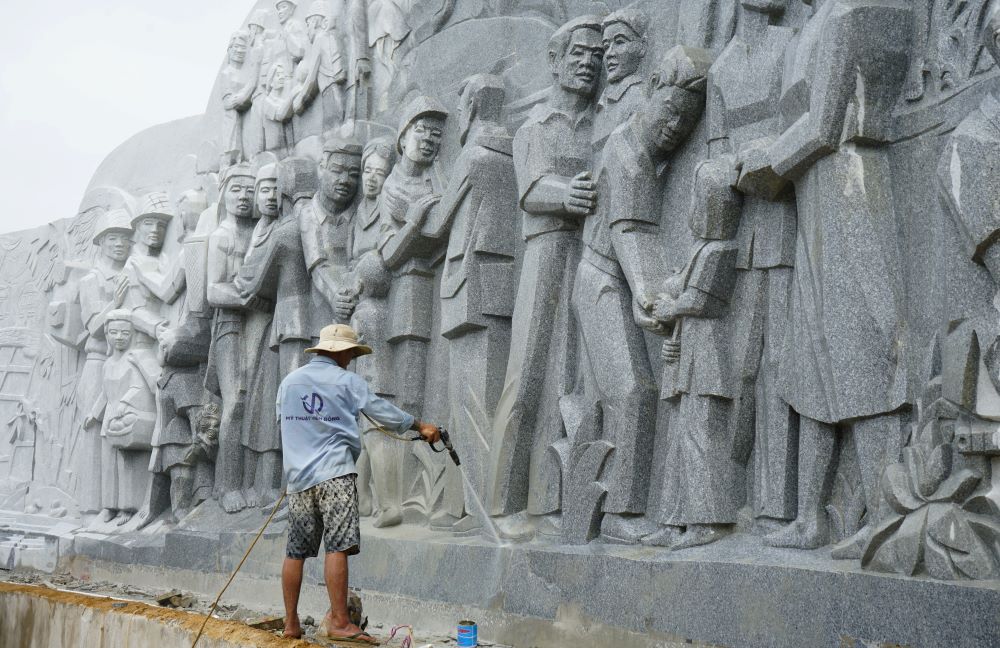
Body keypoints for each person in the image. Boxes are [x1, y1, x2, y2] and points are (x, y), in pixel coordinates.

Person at [277, 323, 440, 642]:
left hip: (298, 480)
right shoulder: (347, 381)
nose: (351, 359)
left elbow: (283, 424)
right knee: (338, 547)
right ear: (340, 352)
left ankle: (291, 624)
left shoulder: (289, 382)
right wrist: (420, 426)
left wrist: (297, 462)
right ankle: (339, 621)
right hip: (335, 473)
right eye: (351, 353)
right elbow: (382, 412)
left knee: (295, 552)